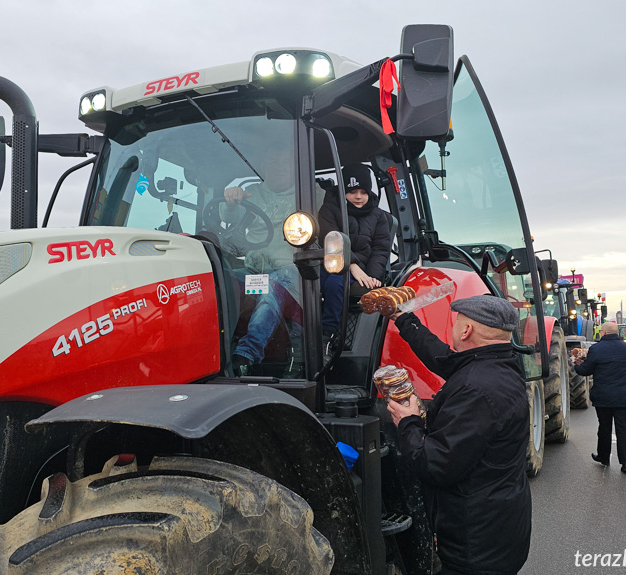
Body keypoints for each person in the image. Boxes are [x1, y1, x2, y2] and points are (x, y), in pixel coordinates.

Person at [386, 295, 531, 575]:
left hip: (476, 546)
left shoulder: (475, 390)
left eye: (456, 323)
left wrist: (409, 422)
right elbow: (442, 357)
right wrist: (402, 318)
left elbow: (434, 464)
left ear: (466, 331)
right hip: (500, 527)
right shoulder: (499, 364)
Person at [222, 144, 323, 375]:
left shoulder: (309, 192)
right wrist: (230, 202)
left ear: (294, 168)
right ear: (263, 167)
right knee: (219, 281)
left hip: (290, 270)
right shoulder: (253, 193)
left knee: (269, 290)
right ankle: (216, 347)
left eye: (284, 163)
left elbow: (324, 214)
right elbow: (228, 216)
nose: (278, 168)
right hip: (253, 269)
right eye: (272, 163)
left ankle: (245, 355)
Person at [318, 164, 392, 341]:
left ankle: (328, 333)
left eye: (363, 192)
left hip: (363, 270)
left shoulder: (378, 216)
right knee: (307, 282)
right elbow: (331, 240)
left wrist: (373, 276)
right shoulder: (329, 210)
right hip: (332, 262)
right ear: (343, 191)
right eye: (352, 191)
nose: (358, 196)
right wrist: (351, 264)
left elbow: (380, 250)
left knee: (336, 283)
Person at [573, 321, 626, 473]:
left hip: (604, 397)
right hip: (623, 397)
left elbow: (585, 371)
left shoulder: (596, 349)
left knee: (604, 428)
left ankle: (604, 457)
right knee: (624, 429)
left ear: (604, 333)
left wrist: (576, 364)